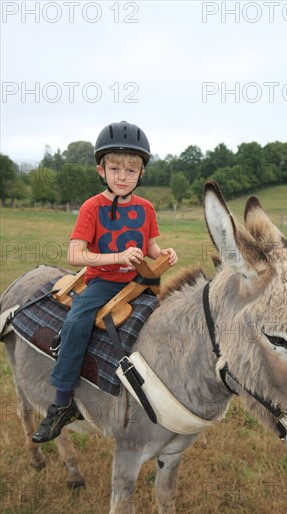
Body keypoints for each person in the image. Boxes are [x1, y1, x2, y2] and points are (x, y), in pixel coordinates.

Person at [32, 120, 178, 443]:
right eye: (115, 168)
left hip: (140, 282)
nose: (122, 176)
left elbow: (150, 244)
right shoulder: (91, 208)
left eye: (130, 170)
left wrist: (162, 252)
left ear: (141, 174)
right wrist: (116, 258)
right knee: (76, 322)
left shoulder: (147, 208)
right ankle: (62, 402)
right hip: (103, 284)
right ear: (101, 170)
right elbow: (75, 255)